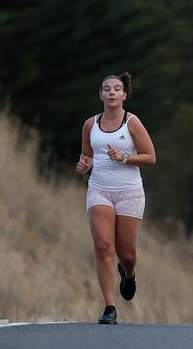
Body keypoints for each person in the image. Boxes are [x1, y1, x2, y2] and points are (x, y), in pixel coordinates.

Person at [75, 72, 156, 324]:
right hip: (99, 190)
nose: (111, 92)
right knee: (103, 248)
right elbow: (88, 154)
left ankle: (128, 274)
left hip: (129, 192)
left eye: (117, 89)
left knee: (127, 254)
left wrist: (124, 158)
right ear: (100, 94)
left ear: (124, 95)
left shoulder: (131, 122)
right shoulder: (90, 124)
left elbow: (150, 156)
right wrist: (83, 164)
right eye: (106, 88)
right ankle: (110, 307)